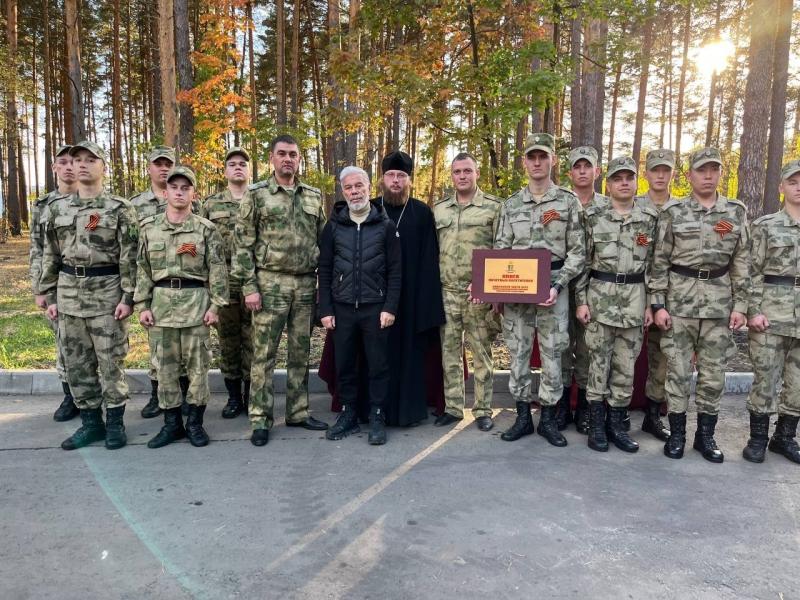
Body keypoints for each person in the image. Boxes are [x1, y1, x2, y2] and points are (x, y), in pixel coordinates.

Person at [650, 147, 750, 463]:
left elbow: (741, 261)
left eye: (714, 170)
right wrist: (658, 304)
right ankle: (677, 434)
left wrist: (741, 305)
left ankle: (705, 436)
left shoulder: (735, 212)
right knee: (677, 371)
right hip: (679, 305)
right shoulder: (673, 213)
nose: (708, 176)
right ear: (690, 175)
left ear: (720, 173)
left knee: (713, 374)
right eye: (702, 170)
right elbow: (660, 261)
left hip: (719, 306)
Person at [40, 140, 138, 451]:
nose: (81, 164)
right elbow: (50, 254)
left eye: (90, 159)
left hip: (107, 294)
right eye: (76, 159)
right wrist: (47, 292)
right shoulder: (57, 209)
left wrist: (128, 297)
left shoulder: (119, 209)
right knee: (77, 364)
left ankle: (115, 425)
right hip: (69, 294)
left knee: (111, 363)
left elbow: (130, 257)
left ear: (103, 167)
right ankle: (90, 424)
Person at [233, 134, 329, 447]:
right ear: (272, 159)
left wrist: (320, 286)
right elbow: (243, 243)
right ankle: (260, 418)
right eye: (282, 154)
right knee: (264, 354)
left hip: (304, 283)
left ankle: (298, 411)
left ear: (299, 159)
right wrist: (249, 286)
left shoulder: (313, 196)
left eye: (293, 154)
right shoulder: (257, 194)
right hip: (268, 283)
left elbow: (323, 242)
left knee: (300, 353)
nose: (288, 159)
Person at [494, 133, 585, 446]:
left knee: (553, 355)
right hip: (517, 292)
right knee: (517, 354)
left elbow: (577, 252)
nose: (536, 162)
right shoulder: (510, 205)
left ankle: (548, 419)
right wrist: (497, 290)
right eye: (531, 157)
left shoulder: (567, 202)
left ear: (552, 161)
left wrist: (559, 286)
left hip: (552, 290)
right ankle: (521, 416)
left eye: (542, 157)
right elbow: (500, 249)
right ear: (524, 162)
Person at [135, 166, 229, 448]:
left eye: (185, 187)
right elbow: (141, 268)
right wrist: (142, 304)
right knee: (164, 369)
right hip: (161, 306)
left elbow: (218, 270)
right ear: (165, 192)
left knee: (198, 368)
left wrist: (216, 306)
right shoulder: (149, 228)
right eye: (174, 187)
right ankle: (171, 424)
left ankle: (195, 424)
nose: (179, 191)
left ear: (193, 193)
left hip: (196, 306)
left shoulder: (205, 229)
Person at [576, 156, 658, 452]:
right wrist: (581, 301)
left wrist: (652, 304)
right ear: (608, 184)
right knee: (598, 364)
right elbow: (583, 263)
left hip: (635, 303)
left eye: (629, 177)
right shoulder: (594, 218)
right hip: (600, 301)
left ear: (637, 182)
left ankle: (616, 424)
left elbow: (653, 267)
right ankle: (597, 426)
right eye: (618, 178)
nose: (624, 183)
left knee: (625, 367)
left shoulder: (649, 219)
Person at [318, 166, 401, 445]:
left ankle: (377, 414)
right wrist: (326, 309)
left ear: (368, 187)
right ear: (343, 192)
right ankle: (349, 413)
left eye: (359, 186)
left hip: (375, 307)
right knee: (345, 365)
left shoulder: (385, 225)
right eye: (349, 188)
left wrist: (390, 306)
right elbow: (325, 267)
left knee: (378, 364)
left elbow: (395, 271)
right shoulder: (334, 226)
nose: (354, 192)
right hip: (341, 308)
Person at [366, 150, 446, 426]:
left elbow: (429, 262)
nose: (396, 181)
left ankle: (407, 412)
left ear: (410, 180)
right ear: (382, 179)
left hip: (411, 301)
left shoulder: (422, 212)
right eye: (391, 175)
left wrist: (426, 308)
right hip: (375, 299)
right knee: (377, 356)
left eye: (401, 176)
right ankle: (375, 410)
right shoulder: (371, 209)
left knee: (409, 356)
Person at [433, 152, 501, 431]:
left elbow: (501, 249)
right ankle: (452, 407)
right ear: (452, 175)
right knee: (449, 352)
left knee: (481, 353)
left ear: (477, 173)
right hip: (447, 292)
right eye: (457, 171)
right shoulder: (440, 209)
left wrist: (488, 286)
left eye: (467, 171)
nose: (462, 176)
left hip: (479, 294)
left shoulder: (494, 208)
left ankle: (483, 408)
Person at [741, 158, 800, 464]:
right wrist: (753, 310)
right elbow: (750, 271)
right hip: (770, 315)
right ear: (781, 187)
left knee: (798, 384)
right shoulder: (766, 226)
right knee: (765, 379)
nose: (799, 187)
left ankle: (785, 437)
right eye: (793, 181)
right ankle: (758, 439)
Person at [130, 146, 190, 418]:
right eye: (158, 164)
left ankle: (185, 396)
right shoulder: (135, 204)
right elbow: (133, 249)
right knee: (157, 345)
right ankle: (157, 394)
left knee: (186, 347)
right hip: (155, 287)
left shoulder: (190, 200)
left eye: (168, 163)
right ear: (150, 168)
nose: (164, 168)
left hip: (187, 288)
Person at [559, 145, 609, 434]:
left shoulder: (607, 206)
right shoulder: (560, 203)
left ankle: (587, 411)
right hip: (562, 287)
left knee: (590, 350)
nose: (582, 171)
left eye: (587, 166)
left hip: (595, 290)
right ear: (569, 172)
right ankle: (564, 407)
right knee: (563, 347)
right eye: (577, 167)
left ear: (597, 171)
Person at [201, 147, 254, 419]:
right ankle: (234, 398)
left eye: (242, 164)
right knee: (229, 342)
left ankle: (251, 396)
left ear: (249, 170)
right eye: (232, 164)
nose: (237, 168)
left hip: (254, 281)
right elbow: (201, 244)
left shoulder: (259, 199)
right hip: (224, 282)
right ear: (225, 171)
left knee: (254, 341)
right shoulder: (211, 204)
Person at [29, 144, 78, 422]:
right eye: (64, 161)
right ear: (54, 168)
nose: (70, 166)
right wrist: (41, 289)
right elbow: (37, 248)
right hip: (57, 285)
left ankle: (93, 399)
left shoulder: (92, 201)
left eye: (74, 161)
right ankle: (69, 396)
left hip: (90, 287)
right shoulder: (43, 206)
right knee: (64, 343)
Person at [634, 149, 676, 441]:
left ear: (674, 173)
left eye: (666, 170)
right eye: (655, 170)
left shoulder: (684, 209)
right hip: (634, 294)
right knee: (626, 354)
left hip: (673, 295)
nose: (660, 176)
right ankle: (617, 410)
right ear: (646, 174)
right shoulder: (632, 207)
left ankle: (652, 415)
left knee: (663, 357)